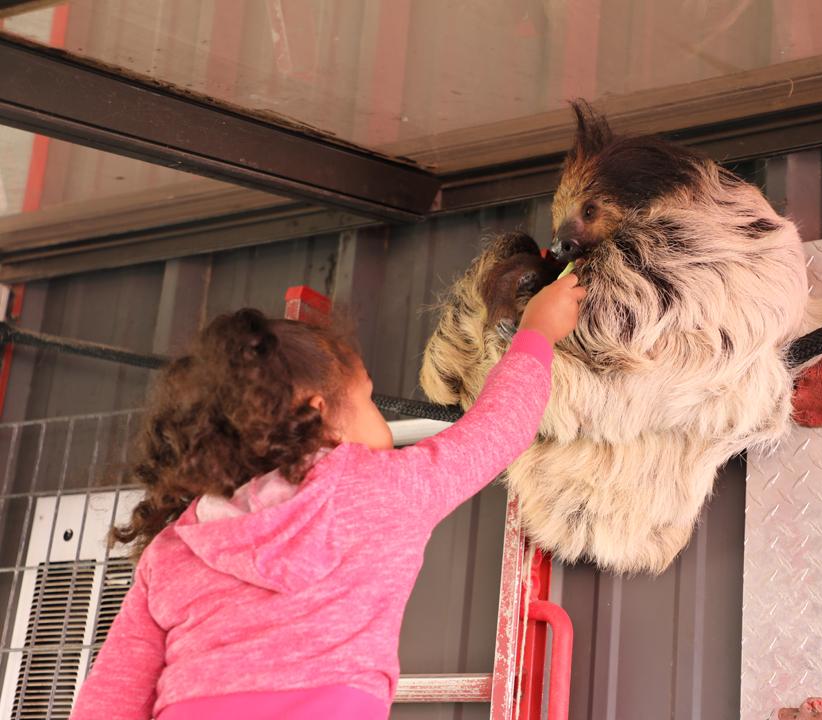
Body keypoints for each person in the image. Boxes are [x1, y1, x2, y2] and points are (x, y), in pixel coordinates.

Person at [70, 273, 586, 720]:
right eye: (367, 402)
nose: (381, 421)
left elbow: (111, 696)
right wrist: (537, 334)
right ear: (321, 417)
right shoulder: (376, 489)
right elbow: (495, 433)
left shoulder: (176, 548)